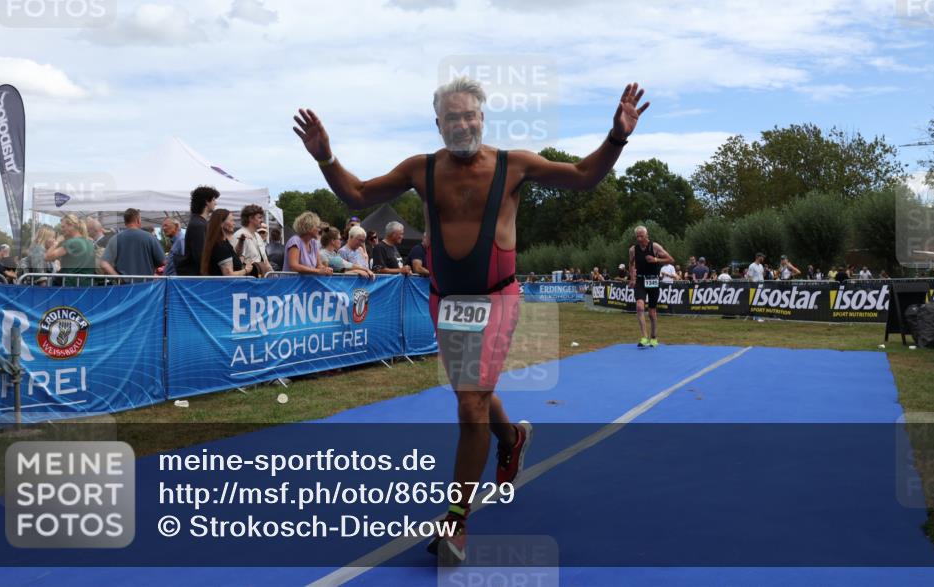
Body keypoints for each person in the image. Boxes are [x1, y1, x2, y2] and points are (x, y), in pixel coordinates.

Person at [293, 76, 649, 563]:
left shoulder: (514, 165)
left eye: (470, 116)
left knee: (470, 404)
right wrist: (325, 157)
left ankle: (455, 520)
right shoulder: (421, 169)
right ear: (437, 124)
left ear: (483, 118)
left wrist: (617, 136)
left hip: (497, 297)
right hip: (446, 299)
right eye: (452, 118)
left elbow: (584, 176)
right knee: (472, 395)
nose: (462, 125)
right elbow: (356, 195)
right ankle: (512, 437)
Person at [627, 225, 674, 348]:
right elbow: (631, 264)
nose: (639, 238)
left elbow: (670, 259)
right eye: (637, 236)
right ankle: (644, 337)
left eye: (641, 236)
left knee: (652, 312)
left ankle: (654, 337)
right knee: (639, 306)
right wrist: (632, 278)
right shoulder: (633, 249)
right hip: (641, 280)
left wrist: (656, 259)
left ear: (647, 235)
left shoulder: (654, 247)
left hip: (653, 280)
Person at [100, 208, 165, 277]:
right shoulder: (150, 238)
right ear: (138, 220)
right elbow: (163, 262)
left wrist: (118, 278)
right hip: (146, 285)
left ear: (125, 222)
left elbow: (103, 263)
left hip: (124, 286)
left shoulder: (115, 239)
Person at [44, 215, 97, 285]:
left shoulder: (72, 242)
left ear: (71, 225)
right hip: (87, 285)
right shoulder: (89, 242)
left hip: (71, 286)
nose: (62, 230)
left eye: (63, 227)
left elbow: (47, 257)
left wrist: (57, 242)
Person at [200, 209, 253, 277]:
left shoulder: (222, 242)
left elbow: (234, 255)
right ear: (221, 224)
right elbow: (228, 274)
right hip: (224, 286)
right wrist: (246, 270)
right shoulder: (221, 246)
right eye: (231, 220)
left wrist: (241, 241)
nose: (234, 223)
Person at [179, 185, 220, 275]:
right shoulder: (198, 225)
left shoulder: (199, 222)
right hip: (201, 279)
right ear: (206, 202)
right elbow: (201, 257)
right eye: (213, 200)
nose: (215, 203)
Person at [230, 204, 272, 277]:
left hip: (259, 279)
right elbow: (237, 264)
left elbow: (265, 261)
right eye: (259, 217)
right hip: (247, 281)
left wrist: (273, 276)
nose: (262, 220)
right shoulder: (240, 235)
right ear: (250, 218)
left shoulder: (258, 236)